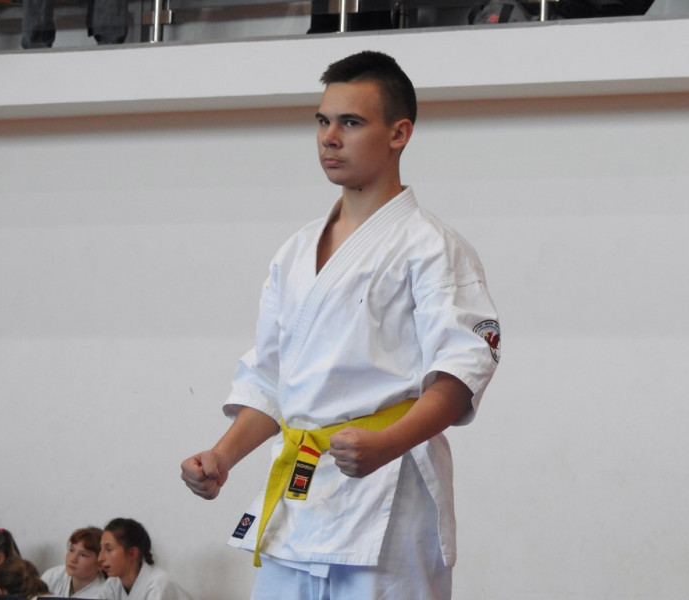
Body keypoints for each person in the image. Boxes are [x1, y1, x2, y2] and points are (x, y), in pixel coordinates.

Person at [180, 50, 501, 599]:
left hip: (388, 499)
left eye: (350, 123)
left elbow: (461, 370)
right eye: (323, 121)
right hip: (301, 494)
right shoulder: (296, 249)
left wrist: (387, 443)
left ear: (399, 133)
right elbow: (272, 377)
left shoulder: (432, 247)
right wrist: (222, 456)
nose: (329, 138)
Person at [98, 518, 192, 600]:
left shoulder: (158, 584)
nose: (100, 558)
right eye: (100, 549)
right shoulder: (113, 584)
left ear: (132, 553)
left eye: (109, 549)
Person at [42, 527, 107, 598]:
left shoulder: (105, 594)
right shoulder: (52, 576)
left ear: (100, 564)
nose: (73, 559)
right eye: (71, 550)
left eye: (83, 555)